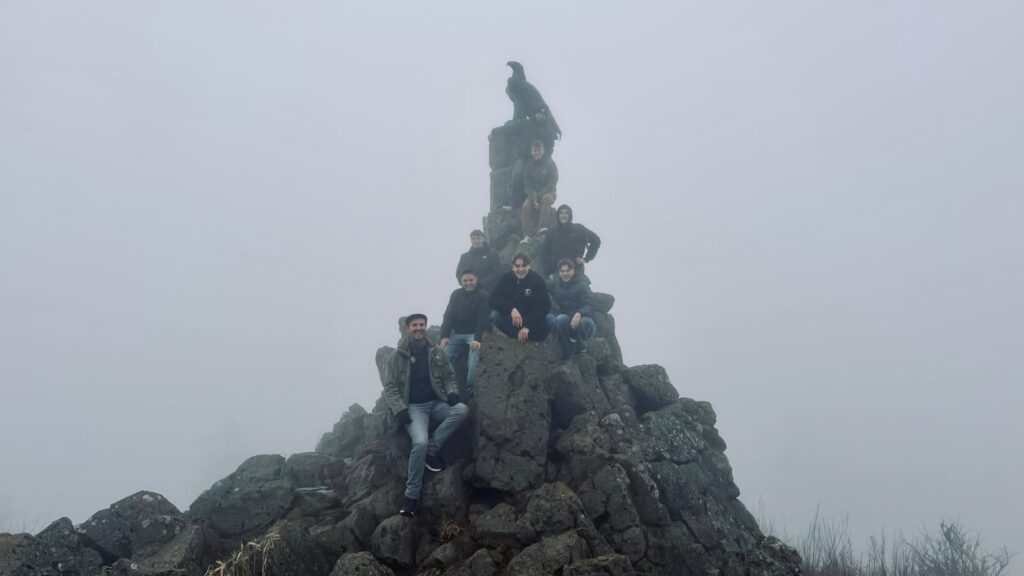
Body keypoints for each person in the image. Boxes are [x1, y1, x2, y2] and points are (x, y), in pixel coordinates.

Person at [382, 313, 468, 517]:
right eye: (415, 325)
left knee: (462, 410)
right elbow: (390, 387)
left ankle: (433, 449)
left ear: (426, 327)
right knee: (419, 442)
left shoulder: (436, 352)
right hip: (413, 408)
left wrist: (452, 392)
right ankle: (411, 497)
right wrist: (400, 409)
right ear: (408, 328)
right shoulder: (396, 356)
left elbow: (449, 376)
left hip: (436, 403)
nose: (419, 328)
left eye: (422, 324)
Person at [440, 270, 489, 397]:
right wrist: (444, 336)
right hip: (457, 334)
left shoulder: (483, 295)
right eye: (465, 281)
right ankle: (442, 385)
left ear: (476, 280)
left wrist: (477, 339)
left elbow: (482, 318)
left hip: (472, 334)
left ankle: (470, 388)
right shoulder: (456, 294)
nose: (468, 283)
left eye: (471, 280)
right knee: (443, 354)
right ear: (461, 282)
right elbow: (448, 315)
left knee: (474, 355)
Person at [489, 253, 551, 343]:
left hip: (532, 324)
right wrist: (511, 309)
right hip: (513, 322)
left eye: (524, 266)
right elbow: (493, 299)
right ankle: (515, 338)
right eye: (517, 266)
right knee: (495, 315)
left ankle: (537, 341)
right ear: (512, 266)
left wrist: (528, 326)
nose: (520, 269)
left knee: (550, 320)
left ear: (529, 266)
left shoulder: (537, 280)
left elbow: (544, 307)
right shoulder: (505, 278)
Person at [546, 259, 598, 359]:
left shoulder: (581, 284)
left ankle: (582, 348)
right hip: (568, 319)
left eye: (568, 270)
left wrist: (579, 313)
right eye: (562, 271)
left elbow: (590, 305)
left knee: (584, 323)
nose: (565, 273)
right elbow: (542, 284)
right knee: (560, 319)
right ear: (559, 272)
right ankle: (569, 350)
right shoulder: (556, 284)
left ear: (573, 270)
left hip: (584, 318)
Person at [541, 204, 600, 278]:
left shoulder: (579, 229)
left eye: (566, 213)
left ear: (570, 215)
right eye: (561, 213)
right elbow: (545, 253)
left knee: (582, 285)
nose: (563, 215)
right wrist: (548, 272)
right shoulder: (551, 232)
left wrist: (586, 258)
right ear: (558, 215)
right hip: (556, 271)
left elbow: (596, 240)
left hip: (576, 271)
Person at [519, 140, 558, 238]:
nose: (537, 152)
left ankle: (542, 227)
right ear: (532, 152)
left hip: (549, 193)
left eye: (539, 150)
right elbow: (528, 185)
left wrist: (539, 197)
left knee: (546, 199)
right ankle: (527, 234)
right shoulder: (528, 166)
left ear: (543, 150)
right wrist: (533, 199)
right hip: (533, 195)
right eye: (535, 150)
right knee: (525, 206)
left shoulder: (550, 163)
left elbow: (552, 182)